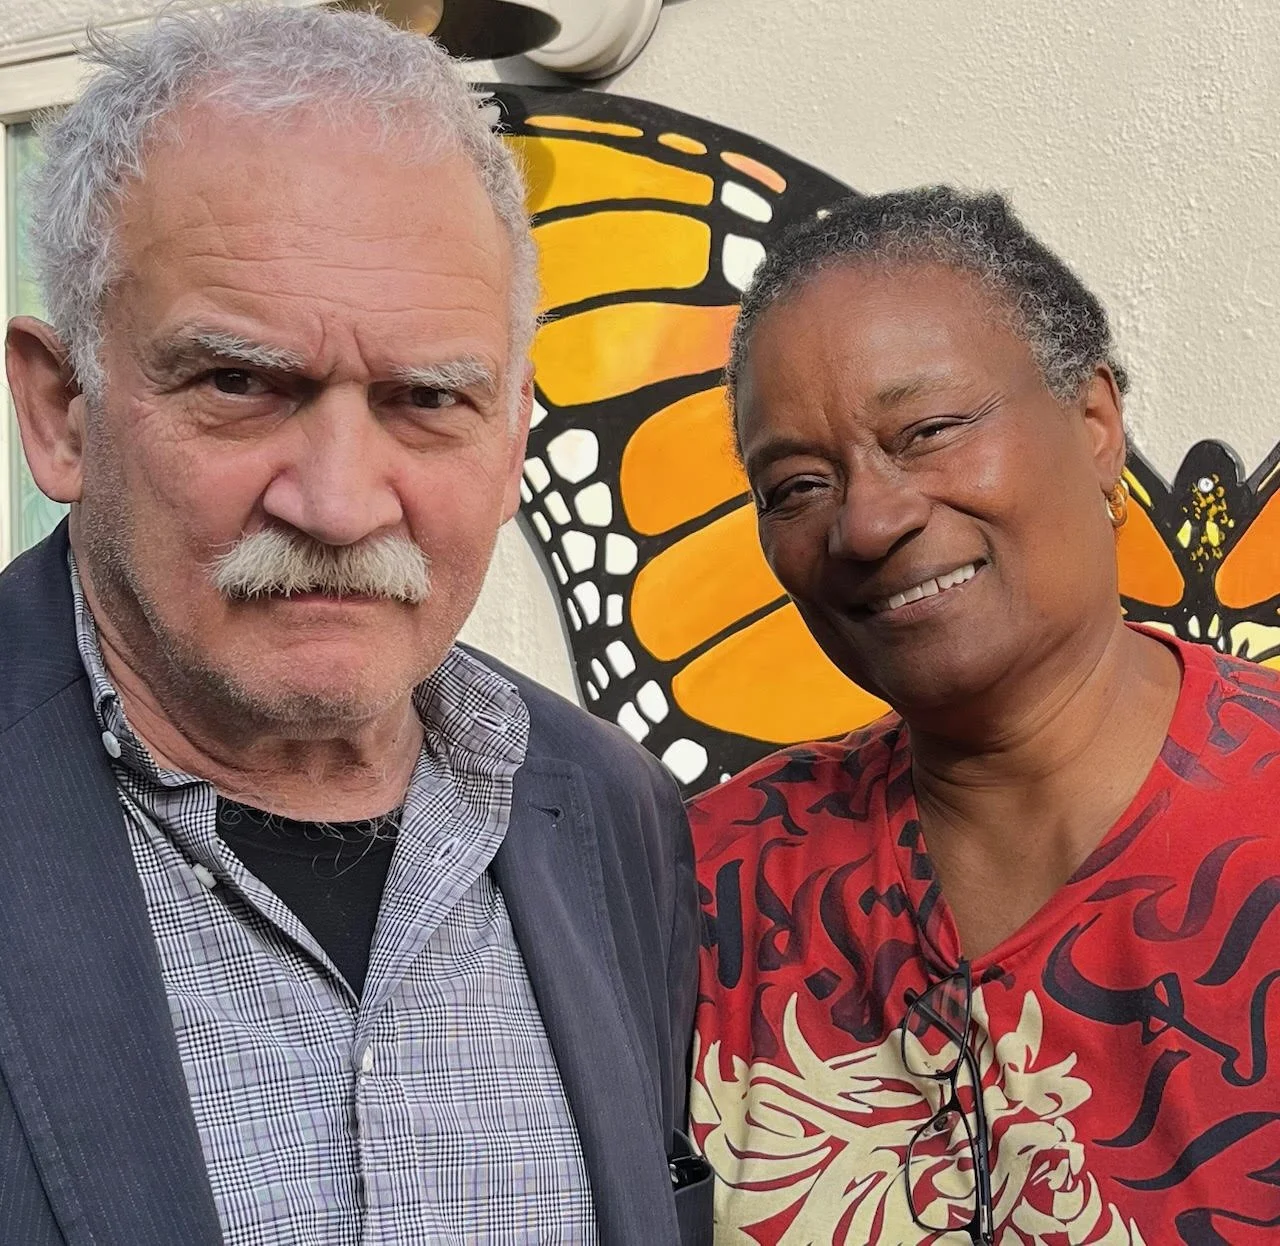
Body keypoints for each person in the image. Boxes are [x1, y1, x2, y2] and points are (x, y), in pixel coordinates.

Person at [0, 7, 711, 1244]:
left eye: (426, 397)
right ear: (63, 412)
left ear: (509, 448)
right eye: (238, 382)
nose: (335, 501)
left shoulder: (609, 811)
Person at [688, 187, 1280, 1244]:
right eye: (795, 485)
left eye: (926, 431)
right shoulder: (708, 889)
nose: (866, 521)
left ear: (1093, 423)